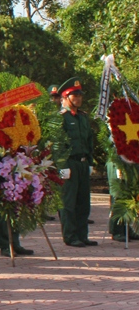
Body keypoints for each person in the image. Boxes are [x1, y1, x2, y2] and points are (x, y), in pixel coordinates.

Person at [57, 77, 97, 248]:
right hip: (69, 164)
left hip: (81, 163)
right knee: (68, 202)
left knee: (83, 202)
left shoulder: (82, 117)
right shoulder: (61, 118)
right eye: (74, 96)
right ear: (65, 98)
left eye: (80, 95)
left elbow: (89, 140)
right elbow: (58, 143)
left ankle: (82, 235)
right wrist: (62, 166)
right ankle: (70, 235)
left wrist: (89, 161)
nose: (78, 99)